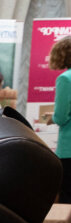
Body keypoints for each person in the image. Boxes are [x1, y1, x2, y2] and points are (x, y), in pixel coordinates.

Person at [48, 35, 71, 203]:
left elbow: (61, 117)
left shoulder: (65, 79)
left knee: (67, 198)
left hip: (69, 149)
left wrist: (53, 117)